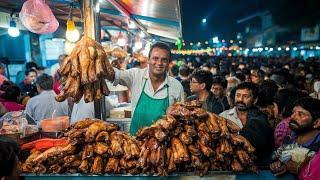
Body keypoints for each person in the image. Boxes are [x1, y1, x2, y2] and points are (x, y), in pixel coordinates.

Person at [110, 42, 184, 135]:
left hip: (163, 145)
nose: (159, 63)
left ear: (169, 63)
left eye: (164, 60)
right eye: (155, 58)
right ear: (148, 60)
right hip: (136, 143)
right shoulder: (136, 76)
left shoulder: (176, 86)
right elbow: (115, 75)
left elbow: (182, 119)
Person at [219, 82, 274, 166]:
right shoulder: (223, 116)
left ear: (255, 100)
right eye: (238, 95)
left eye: (245, 96)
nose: (240, 99)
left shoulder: (260, 118)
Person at [270, 97, 320, 176]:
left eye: (300, 114)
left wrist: (300, 168)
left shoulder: (317, 149)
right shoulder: (291, 136)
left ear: (316, 123)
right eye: (293, 112)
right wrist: (278, 164)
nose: (293, 117)